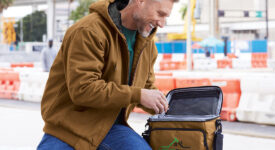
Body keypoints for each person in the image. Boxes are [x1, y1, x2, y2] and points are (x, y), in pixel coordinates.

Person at [37, 0, 178, 149]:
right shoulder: (88, 31)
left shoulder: (147, 45)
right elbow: (83, 89)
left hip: (111, 128)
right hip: (69, 129)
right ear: (140, 1)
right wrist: (139, 95)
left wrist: (170, 106)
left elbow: (146, 87)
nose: (162, 24)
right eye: (160, 14)